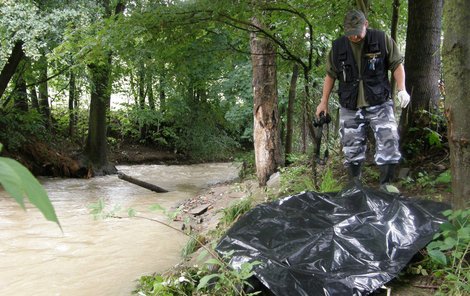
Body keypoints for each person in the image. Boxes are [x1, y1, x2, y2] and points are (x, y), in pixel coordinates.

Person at [315, 9, 410, 193]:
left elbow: (396, 64)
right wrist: (323, 102)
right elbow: (330, 75)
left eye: (357, 33)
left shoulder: (381, 40)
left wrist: (402, 89)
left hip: (379, 101)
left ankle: (386, 184)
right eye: (350, 34)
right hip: (350, 104)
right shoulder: (338, 47)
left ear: (365, 24)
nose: (354, 37)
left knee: (388, 139)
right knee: (351, 147)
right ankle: (355, 187)